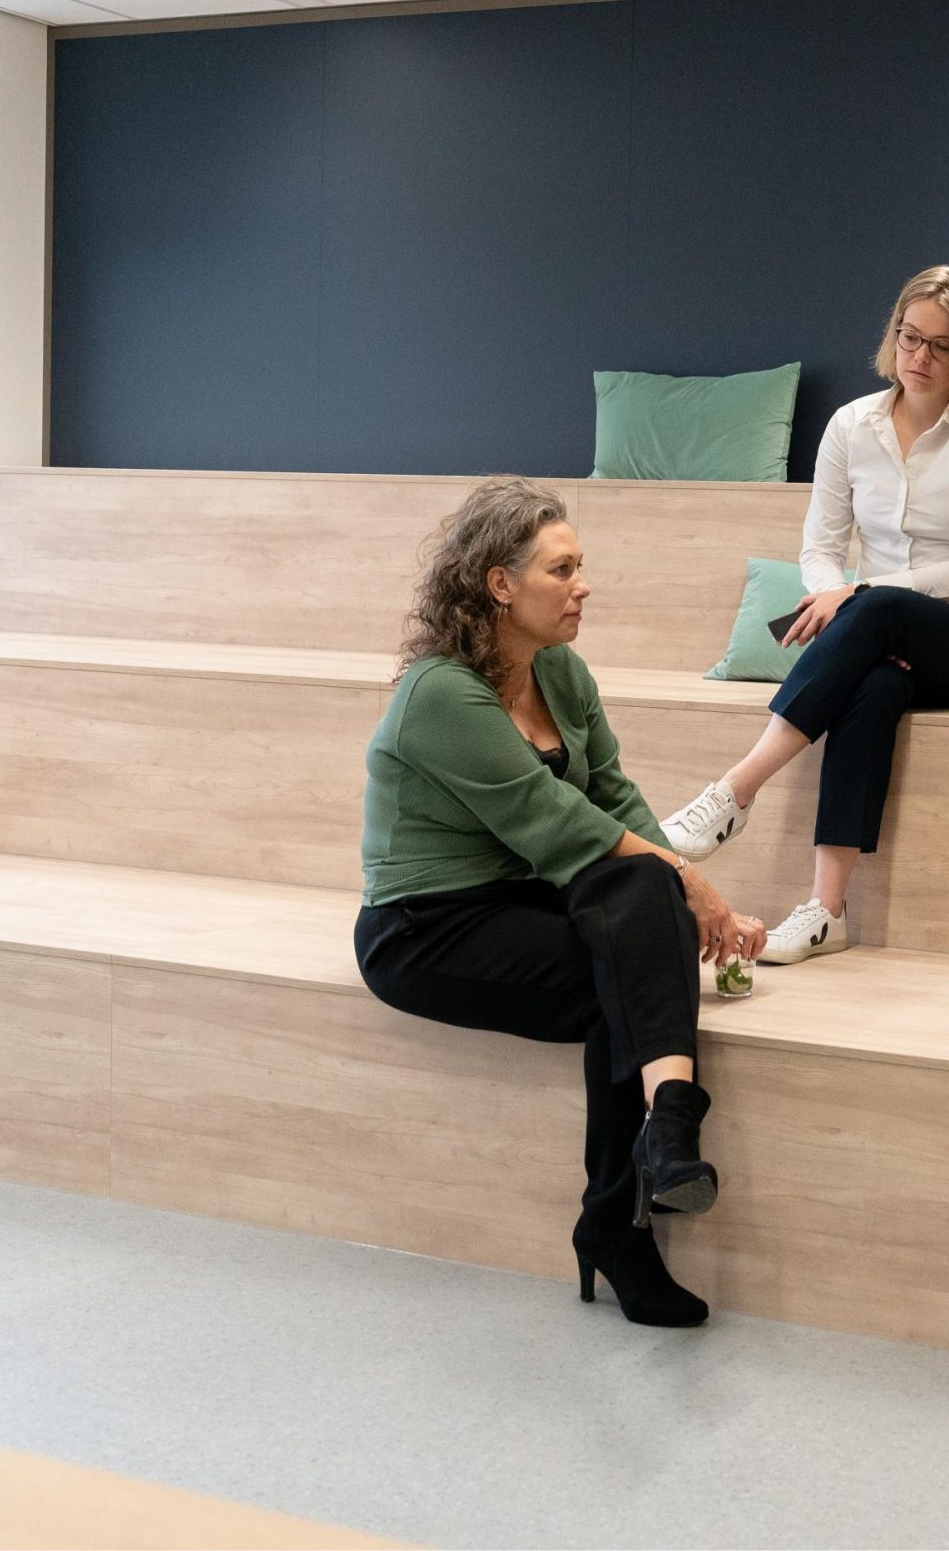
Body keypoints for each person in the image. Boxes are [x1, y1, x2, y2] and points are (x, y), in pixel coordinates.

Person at [353, 477, 769, 1329]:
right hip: (425, 927)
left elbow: (614, 796)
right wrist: (695, 889)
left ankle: (665, 1141)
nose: (584, 586)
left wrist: (672, 881)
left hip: (525, 900)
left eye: (581, 566)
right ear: (499, 584)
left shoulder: (562, 672)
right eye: (562, 569)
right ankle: (631, 1207)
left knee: (638, 902)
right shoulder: (440, 695)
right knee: (628, 976)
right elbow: (557, 824)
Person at [658, 265, 949, 966]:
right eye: (909, 337)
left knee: (877, 601)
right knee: (874, 685)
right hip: (880, 639)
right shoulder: (851, 426)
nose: (919, 357)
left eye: (941, 346)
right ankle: (827, 912)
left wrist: (856, 595)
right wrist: (840, 595)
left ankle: (736, 790)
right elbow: (820, 549)